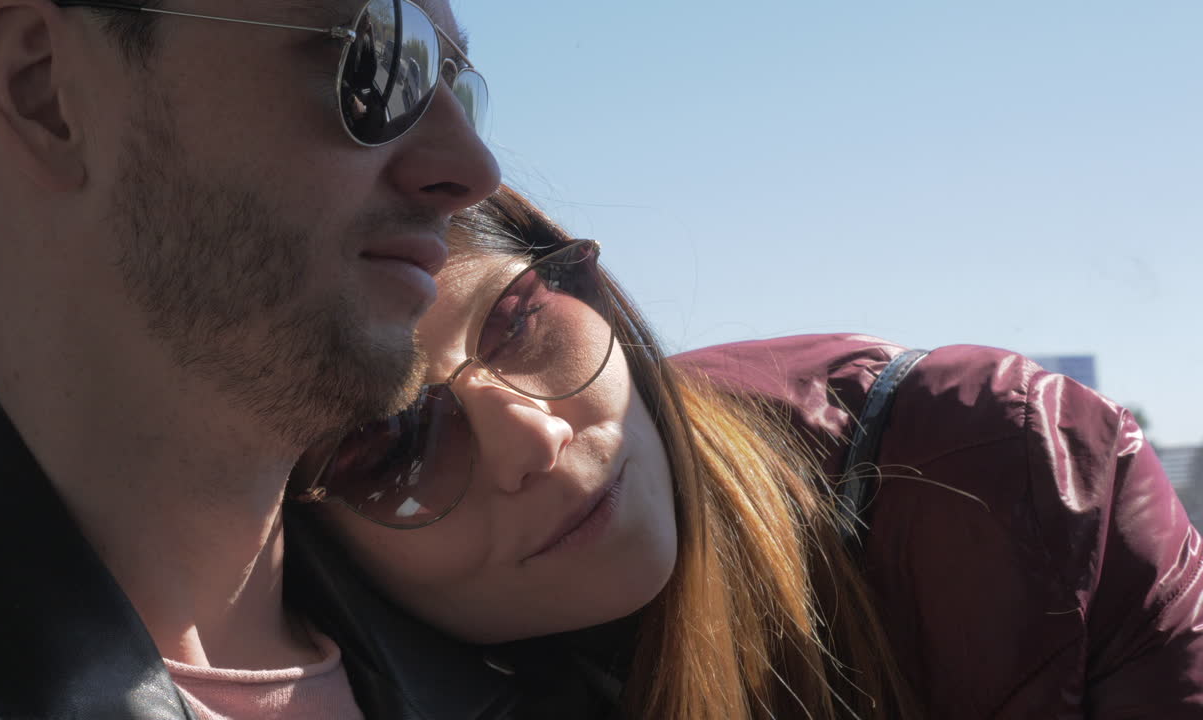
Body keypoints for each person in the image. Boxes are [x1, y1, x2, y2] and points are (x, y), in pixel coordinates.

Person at [288, 186, 1203, 719]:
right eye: (392, 443)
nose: (535, 435)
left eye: (521, 320)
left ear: (589, 286)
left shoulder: (1022, 468)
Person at [0, 0, 498, 718]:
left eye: (458, 88)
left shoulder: (531, 667)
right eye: (380, 58)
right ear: (43, 90)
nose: (475, 170)